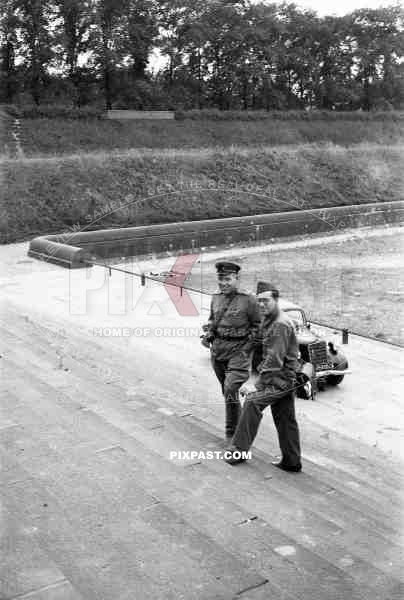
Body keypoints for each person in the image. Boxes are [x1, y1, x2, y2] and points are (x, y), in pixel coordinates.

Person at [225, 287, 302, 472]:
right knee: (285, 419)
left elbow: (274, 361)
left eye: (265, 300)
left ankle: (238, 451)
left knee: (252, 402)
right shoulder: (270, 320)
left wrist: (256, 386)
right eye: (258, 300)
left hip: (281, 379)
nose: (261, 304)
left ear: (276, 300)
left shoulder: (280, 324)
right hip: (284, 378)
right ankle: (292, 461)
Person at [201, 261, 261, 442]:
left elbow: (258, 327)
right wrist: (209, 334)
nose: (223, 283)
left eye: (228, 279)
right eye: (220, 279)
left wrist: (246, 350)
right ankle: (241, 424)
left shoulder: (249, 300)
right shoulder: (216, 297)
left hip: (239, 353)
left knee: (230, 389)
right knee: (229, 394)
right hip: (218, 352)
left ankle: (232, 435)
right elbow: (213, 320)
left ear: (237, 279)